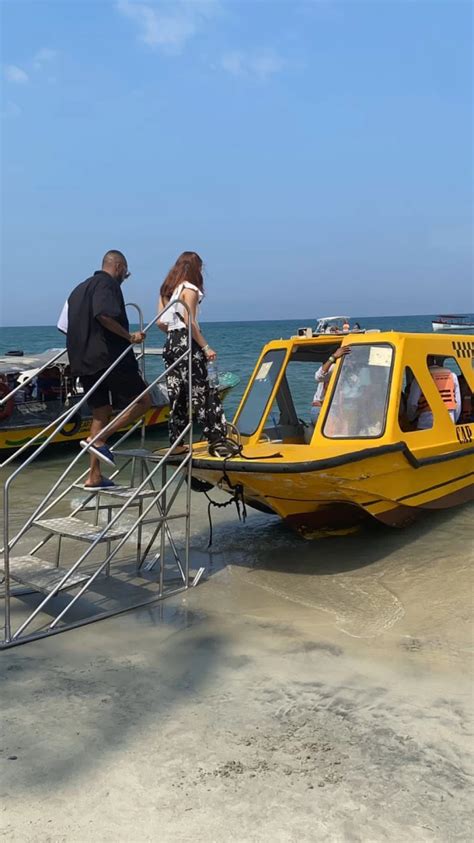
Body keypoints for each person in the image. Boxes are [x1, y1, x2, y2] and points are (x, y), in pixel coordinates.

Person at [65, 250, 150, 488]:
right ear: (120, 266)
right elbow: (103, 314)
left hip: (83, 361)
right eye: (126, 272)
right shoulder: (107, 284)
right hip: (108, 357)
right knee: (144, 401)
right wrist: (129, 336)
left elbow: (64, 324)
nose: (125, 276)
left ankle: (93, 475)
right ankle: (99, 439)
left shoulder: (78, 289)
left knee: (101, 412)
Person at [157, 251, 227, 453]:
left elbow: (161, 322)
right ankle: (216, 438)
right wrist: (206, 347)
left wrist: (174, 334)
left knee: (176, 394)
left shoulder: (168, 290)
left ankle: (176, 442)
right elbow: (190, 322)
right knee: (203, 391)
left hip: (171, 343)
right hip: (187, 343)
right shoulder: (191, 289)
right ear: (197, 268)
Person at [407, 356, 461, 430]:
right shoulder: (452, 376)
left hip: (426, 424)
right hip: (448, 422)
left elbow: (412, 403)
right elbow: (457, 403)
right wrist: (453, 420)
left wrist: (410, 418)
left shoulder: (420, 377)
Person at [310, 346, 351, 424]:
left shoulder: (349, 373)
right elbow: (318, 376)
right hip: (323, 409)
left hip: (335, 409)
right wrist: (333, 357)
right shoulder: (334, 367)